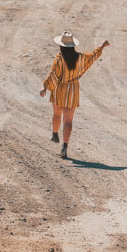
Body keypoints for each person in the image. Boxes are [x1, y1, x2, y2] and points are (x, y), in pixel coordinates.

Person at [40, 29, 110, 158]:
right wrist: (101, 47)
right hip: (73, 90)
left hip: (60, 89)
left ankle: (55, 134)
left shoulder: (59, 59)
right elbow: (92, 57)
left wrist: (45, 87)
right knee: (68, 120)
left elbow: (53, 75)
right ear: (73, 46)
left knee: (57, 115)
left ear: (61, 46)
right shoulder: (80, 58)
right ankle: (65, 146)